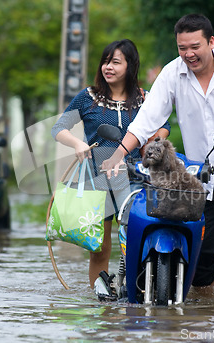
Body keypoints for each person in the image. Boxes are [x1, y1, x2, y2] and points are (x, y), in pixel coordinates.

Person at [102, 14, 214, 301]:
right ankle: (204, 321)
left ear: (211, 42)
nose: (188, 54)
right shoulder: (172, 74)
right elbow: (145, 120)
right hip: (198, 177)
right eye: (182, 48)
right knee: (200, 255)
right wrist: (118, 154)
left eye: (195, 46)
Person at [51, 39, 170, 289]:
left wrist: (152, 142)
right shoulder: (88, 98)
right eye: (106, 61)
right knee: (100, 248)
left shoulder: (145, 99)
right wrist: (77, 144)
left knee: (136, 243)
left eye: (115, 62)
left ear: (131, 66)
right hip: (98, 180)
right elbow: (59, 128)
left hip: (137, 180)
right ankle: (100, 303)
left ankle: (137, 295)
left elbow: (164, 127)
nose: (108, 67)